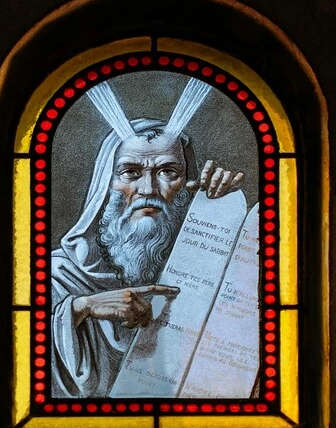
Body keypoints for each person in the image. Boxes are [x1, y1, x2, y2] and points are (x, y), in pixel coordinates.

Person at [50, 118, 243, 398]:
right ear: (104, 184)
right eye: (130, 172)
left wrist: (225, 215)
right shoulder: (59, 276)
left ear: (187, 183)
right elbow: (13, 358)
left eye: (168, 172)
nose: (149, 189)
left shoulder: (203, 264)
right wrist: (82, 308)